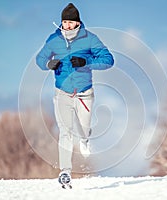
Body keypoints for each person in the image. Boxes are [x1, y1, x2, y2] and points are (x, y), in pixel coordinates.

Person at [36, 3, 114, 185]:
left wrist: (85, 61)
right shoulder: (54, 39)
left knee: (83, 129)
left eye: (71, 22)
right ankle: (65, 171)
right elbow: (40, 59)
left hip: (84, 93)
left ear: (77, 23)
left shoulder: (90, 38)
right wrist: (49, 64)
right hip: (62, 92)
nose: (67, 26)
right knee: (65, 131)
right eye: (64, 22)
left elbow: (108, 60)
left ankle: (85, 138)